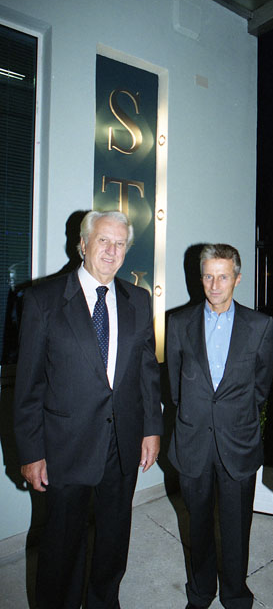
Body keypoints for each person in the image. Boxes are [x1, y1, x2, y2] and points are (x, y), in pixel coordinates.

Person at [14, 210, 163, 609]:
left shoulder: (138, 299)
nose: (112, 251)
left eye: (120, 244)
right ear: (83, 244)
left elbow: (147, 371)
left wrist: (152, 428)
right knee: (61, 544)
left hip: (122, 442)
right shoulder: (43, 300)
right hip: (65, 445)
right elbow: (28, 386)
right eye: (103, 241)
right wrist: (31, 452)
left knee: (113, 538)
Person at [167, 244, 273, 609]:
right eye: (208, 276)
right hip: (193, 439)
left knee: (236, 527)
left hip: (237, 442)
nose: (215, 285)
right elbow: (175, 385)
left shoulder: (260, 326)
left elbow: (262, 386)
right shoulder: (178, 323)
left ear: (237, 279)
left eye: (223, 277)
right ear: (200, 278)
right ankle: (200, 592)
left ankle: (235, 594)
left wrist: (235, 416)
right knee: (197, 524)